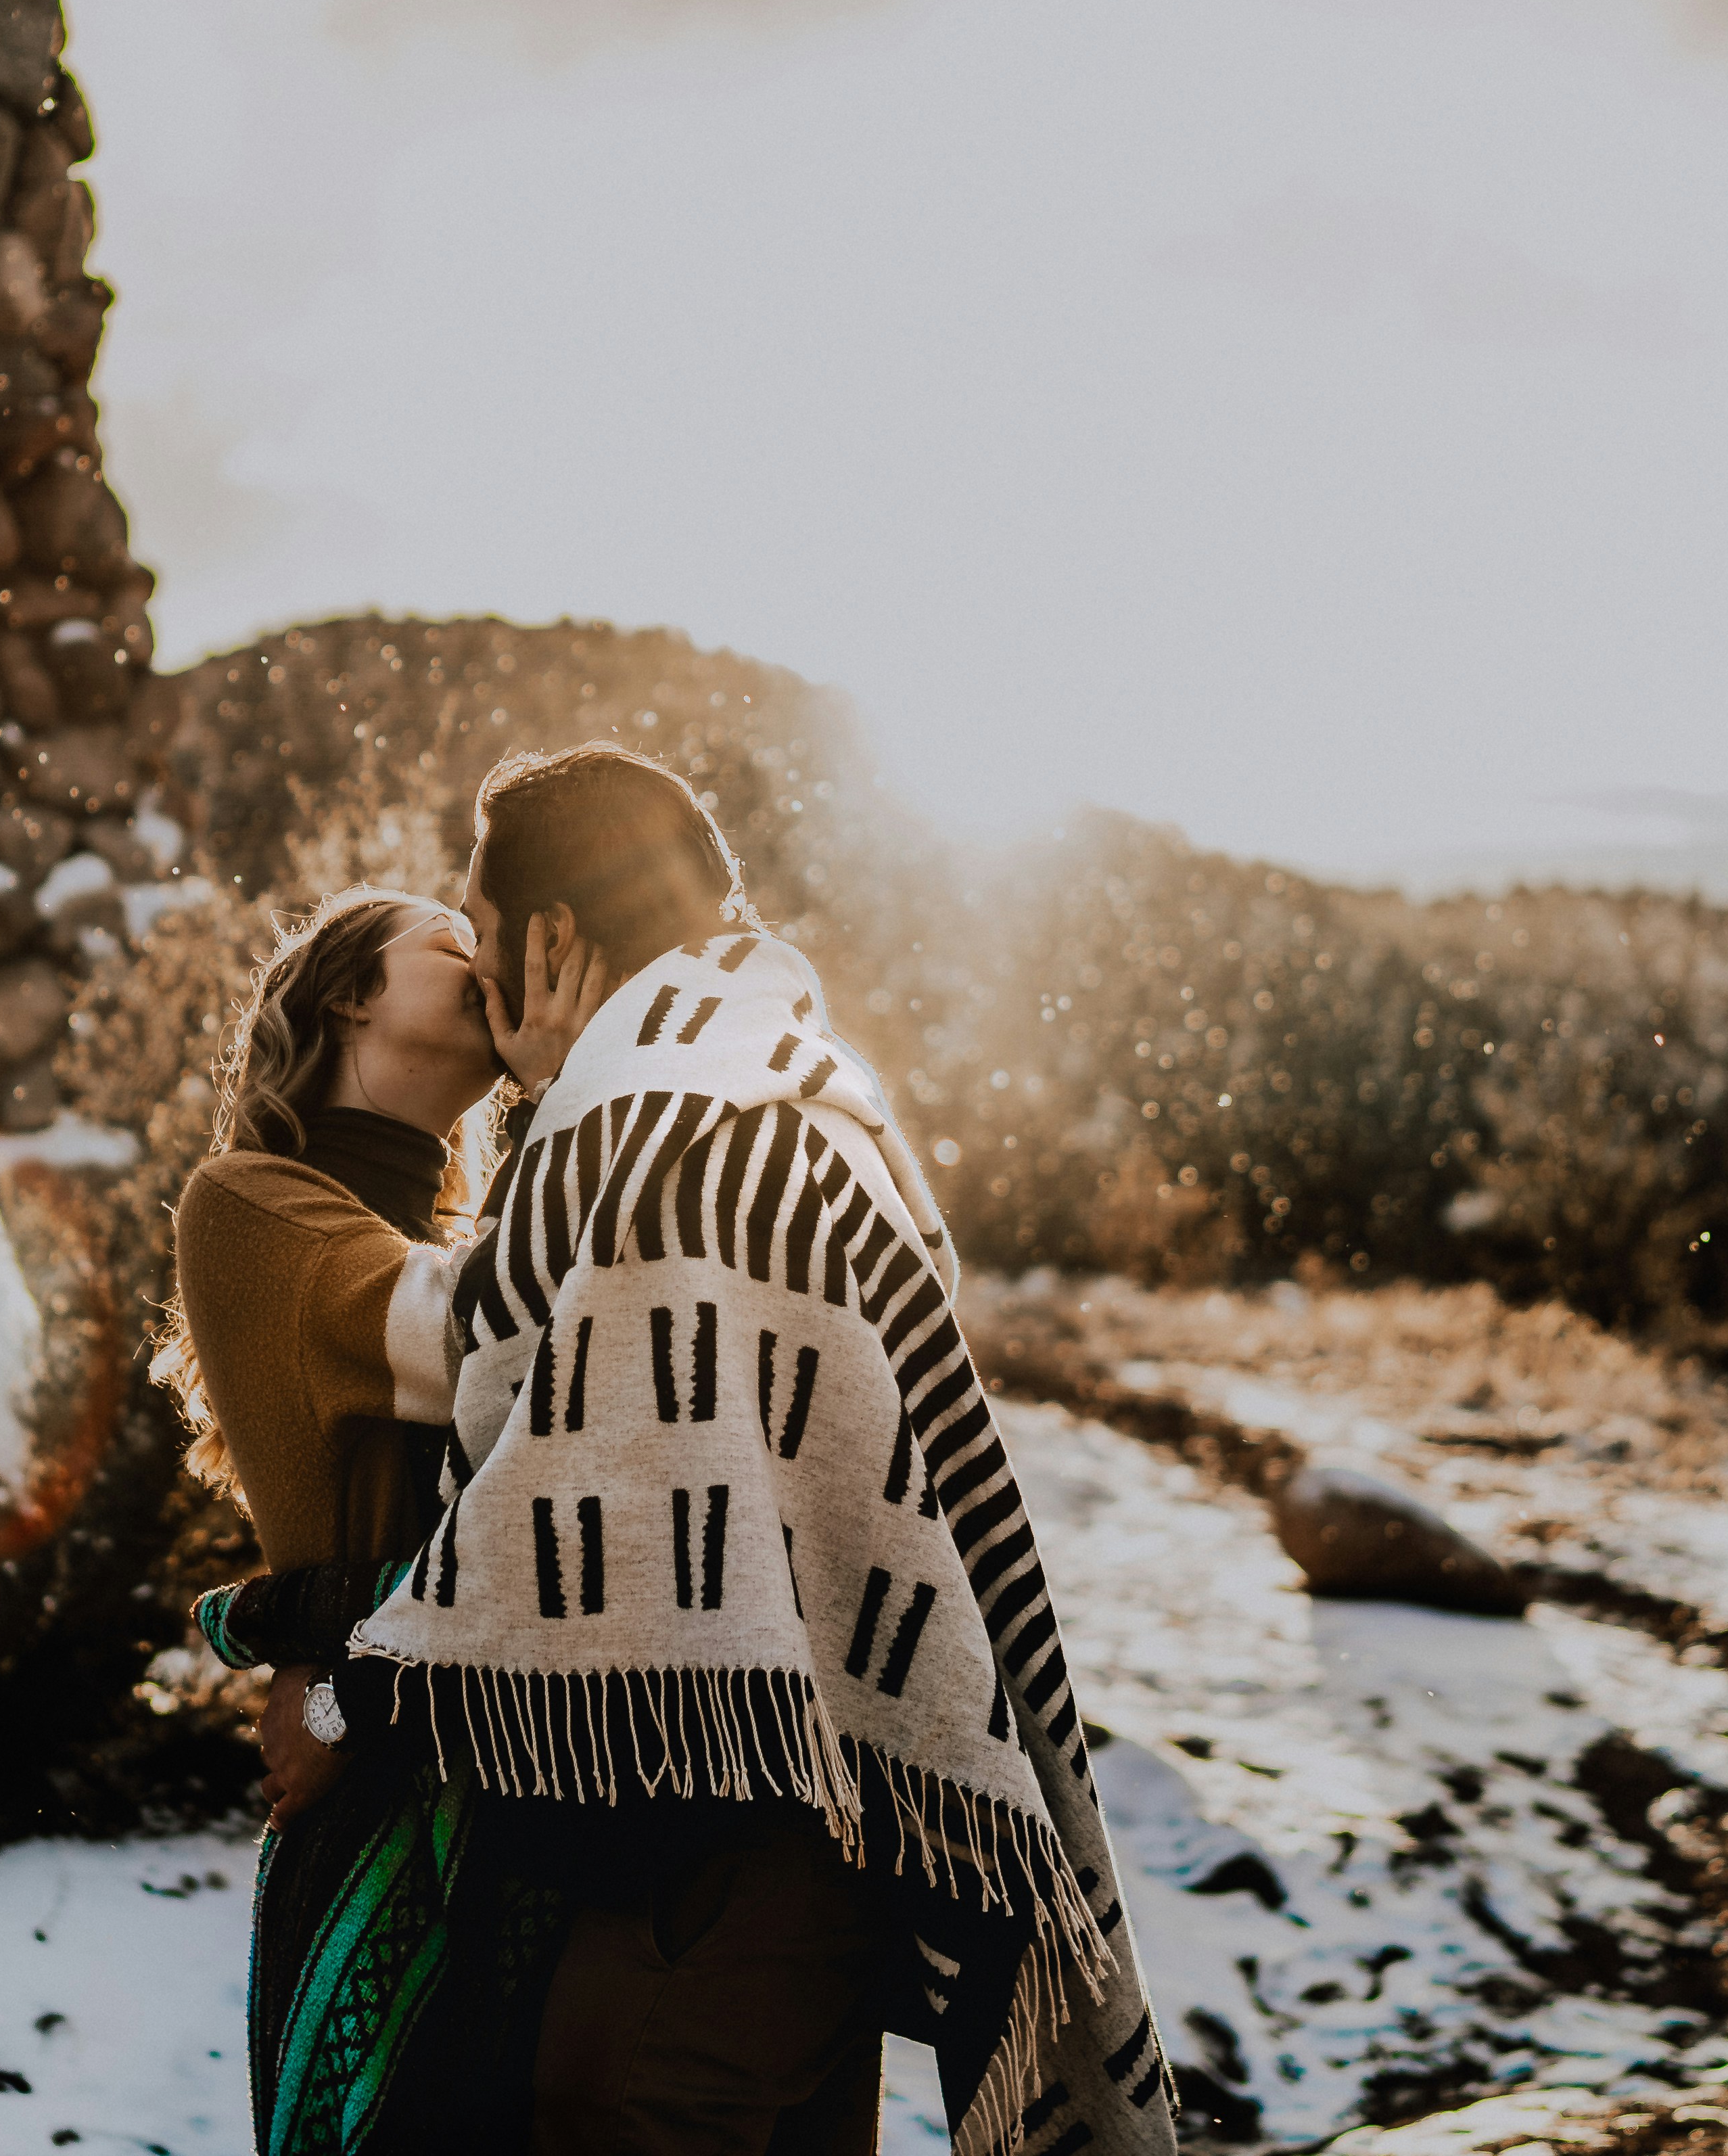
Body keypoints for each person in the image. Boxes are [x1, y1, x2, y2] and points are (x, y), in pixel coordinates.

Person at [331, 744, 1180, 2156]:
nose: (479, 978)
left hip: (699, 1874)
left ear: (554, 940)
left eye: (483, 933)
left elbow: (527, 1448)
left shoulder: (646, 1132)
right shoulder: (788, 1087)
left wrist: (332, 1702)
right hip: (828, 1846)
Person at [160, 884, 608, 2156]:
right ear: (354, 994)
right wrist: (572, 1087)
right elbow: (494, 1339)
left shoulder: (469, 1230)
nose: (491, 960)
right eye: (455, 942)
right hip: (384, 1809)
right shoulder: (248, 1201)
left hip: (504, 1775)